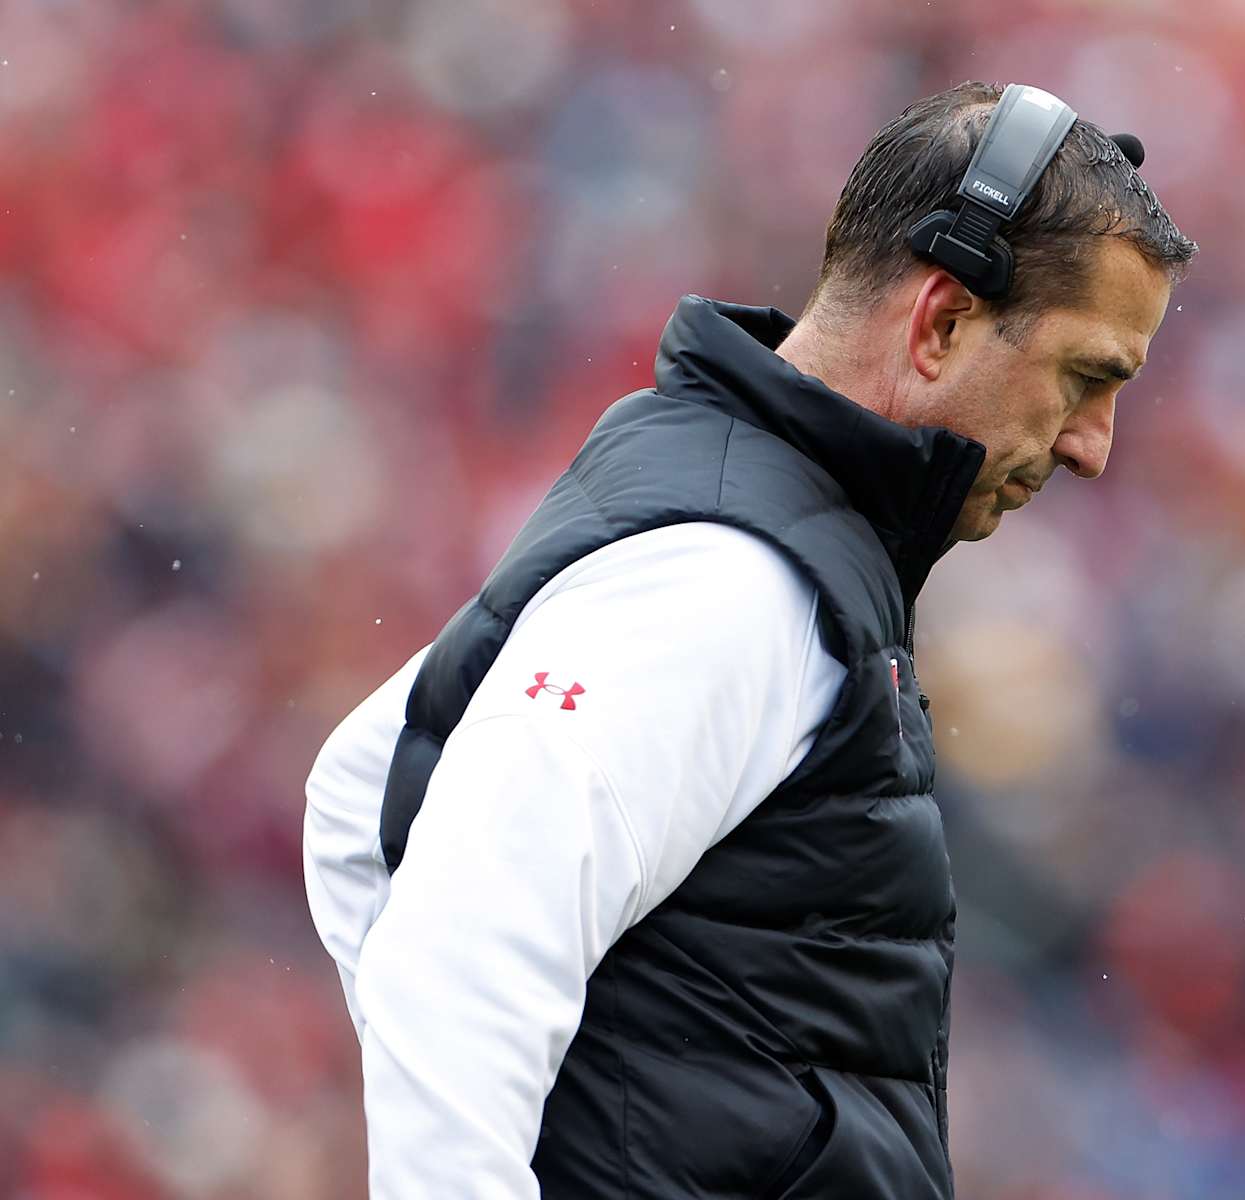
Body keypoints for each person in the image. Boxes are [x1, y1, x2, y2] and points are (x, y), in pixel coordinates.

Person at [302, 80, 1194, 1199]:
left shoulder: (756, 527)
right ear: (943, 322)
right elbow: (458, 953)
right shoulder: (728, 581)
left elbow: (359, 790)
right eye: (1084, 378)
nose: (1092, 448)